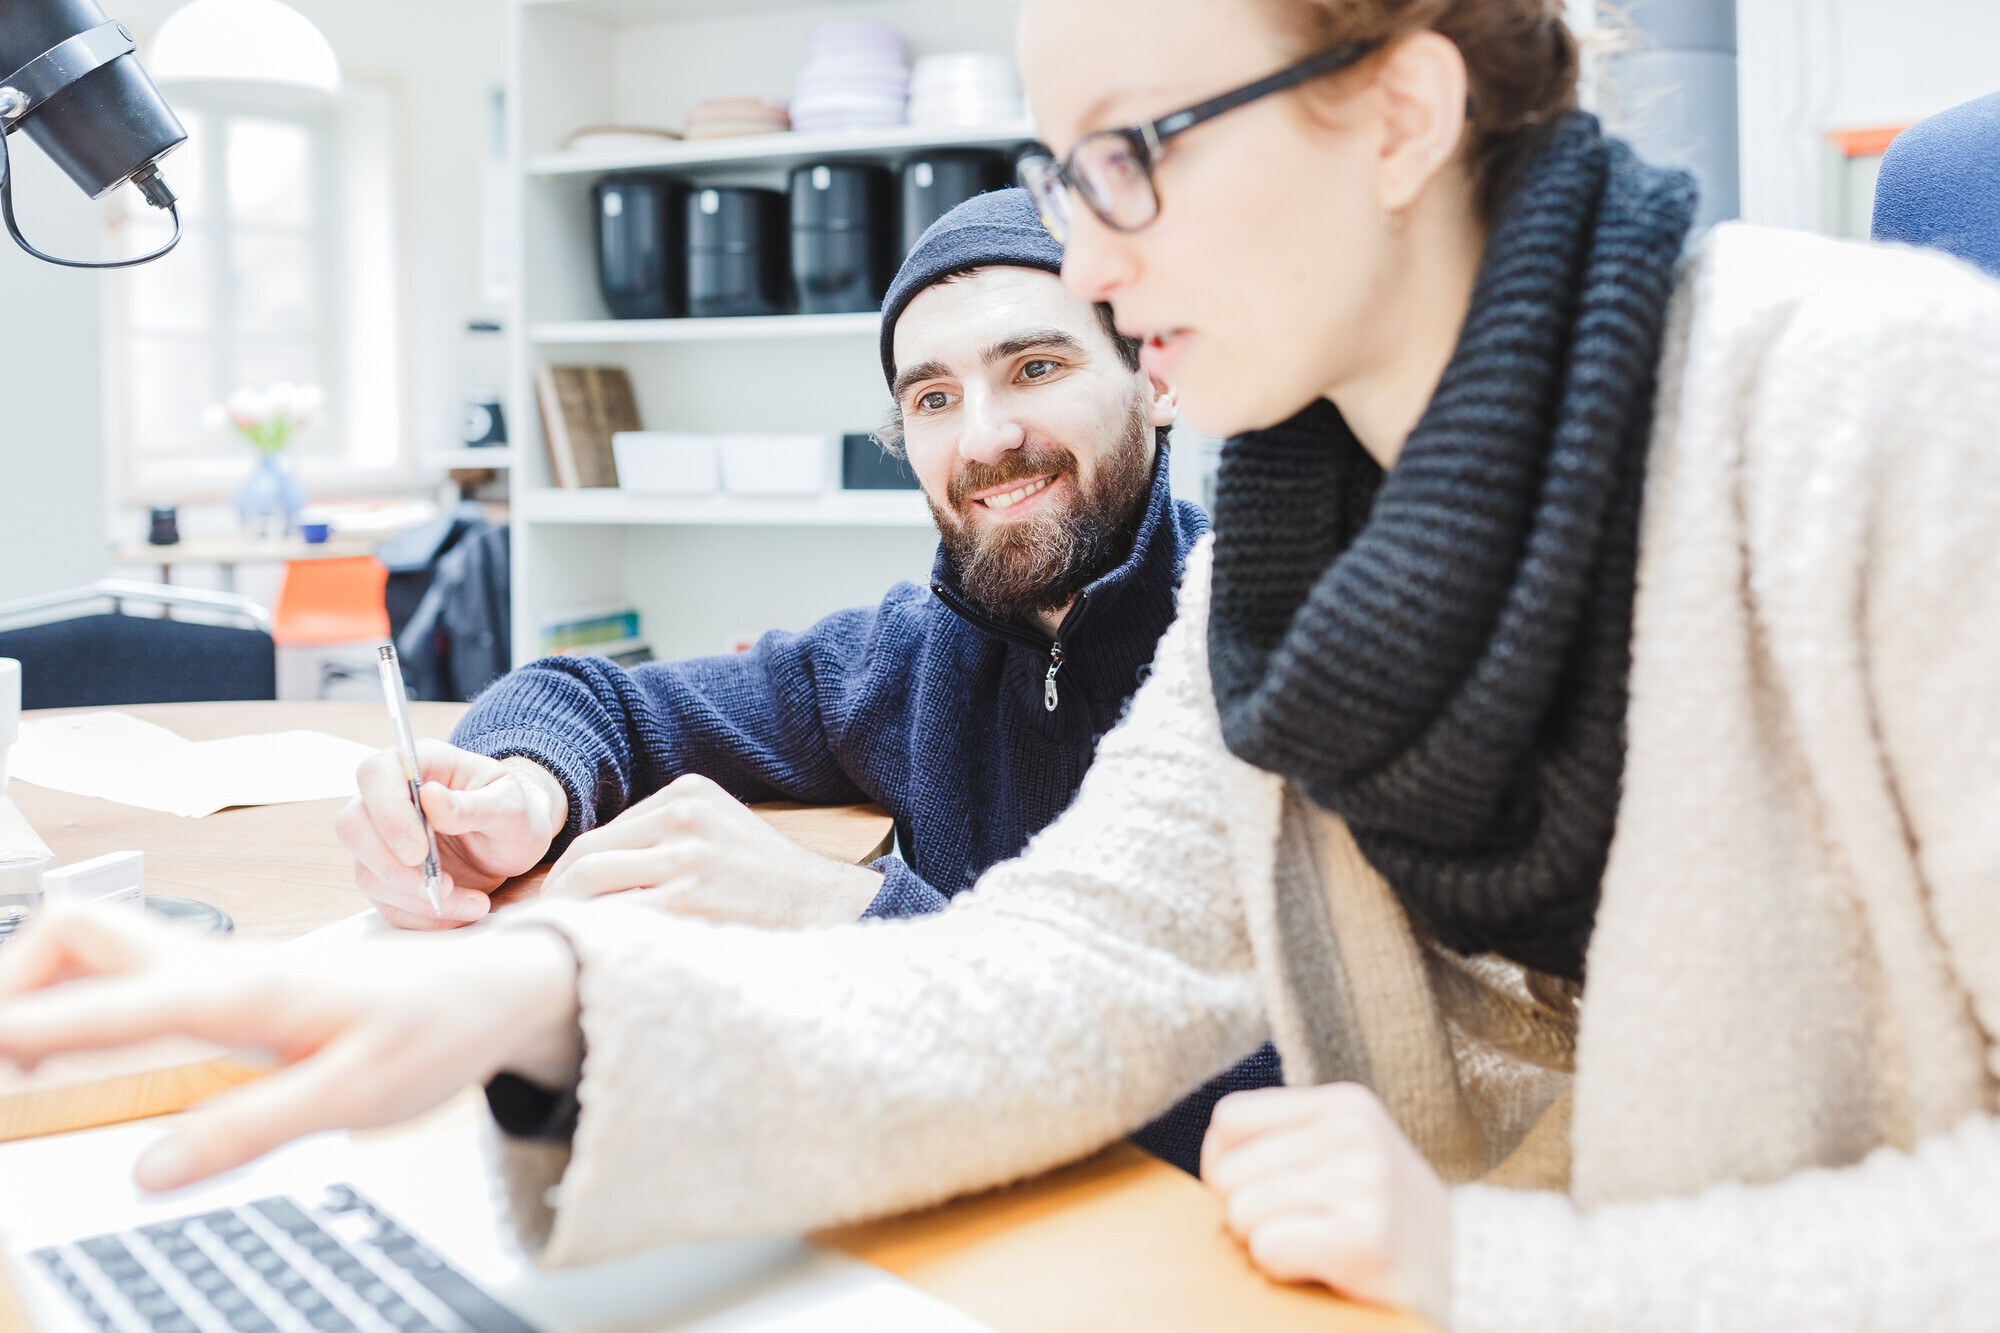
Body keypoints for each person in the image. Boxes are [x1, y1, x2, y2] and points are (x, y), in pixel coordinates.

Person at [3, 1, 1998, 1328]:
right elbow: (1073, 963)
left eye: (1132, 155)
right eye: (1065, 177)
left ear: (1397, 109)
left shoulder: (1887, 414)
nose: (1094, 260)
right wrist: (549, 998)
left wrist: (1499, 1269)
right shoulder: (1304, 545)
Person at [331, 187, 1280, 1175]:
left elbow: (1259, 1104)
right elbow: (592, 698)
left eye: (1034, 368)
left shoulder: (1279, 653)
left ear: (1156, 378)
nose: (983, 437)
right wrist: (523, 791)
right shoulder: (907, 657)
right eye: (933, 398)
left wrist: (846, 914)